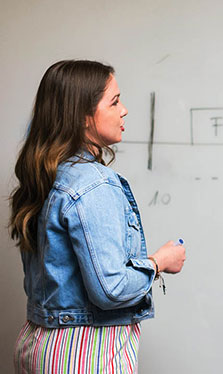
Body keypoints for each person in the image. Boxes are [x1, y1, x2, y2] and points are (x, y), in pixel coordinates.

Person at [9, 60, 186, 373]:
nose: (124, 110)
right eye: (114, 101)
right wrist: (158, 262)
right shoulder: (92, 183)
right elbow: (111, 289)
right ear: (82, 117)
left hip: (38, 344)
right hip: (83, 355)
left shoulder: (47, 175)